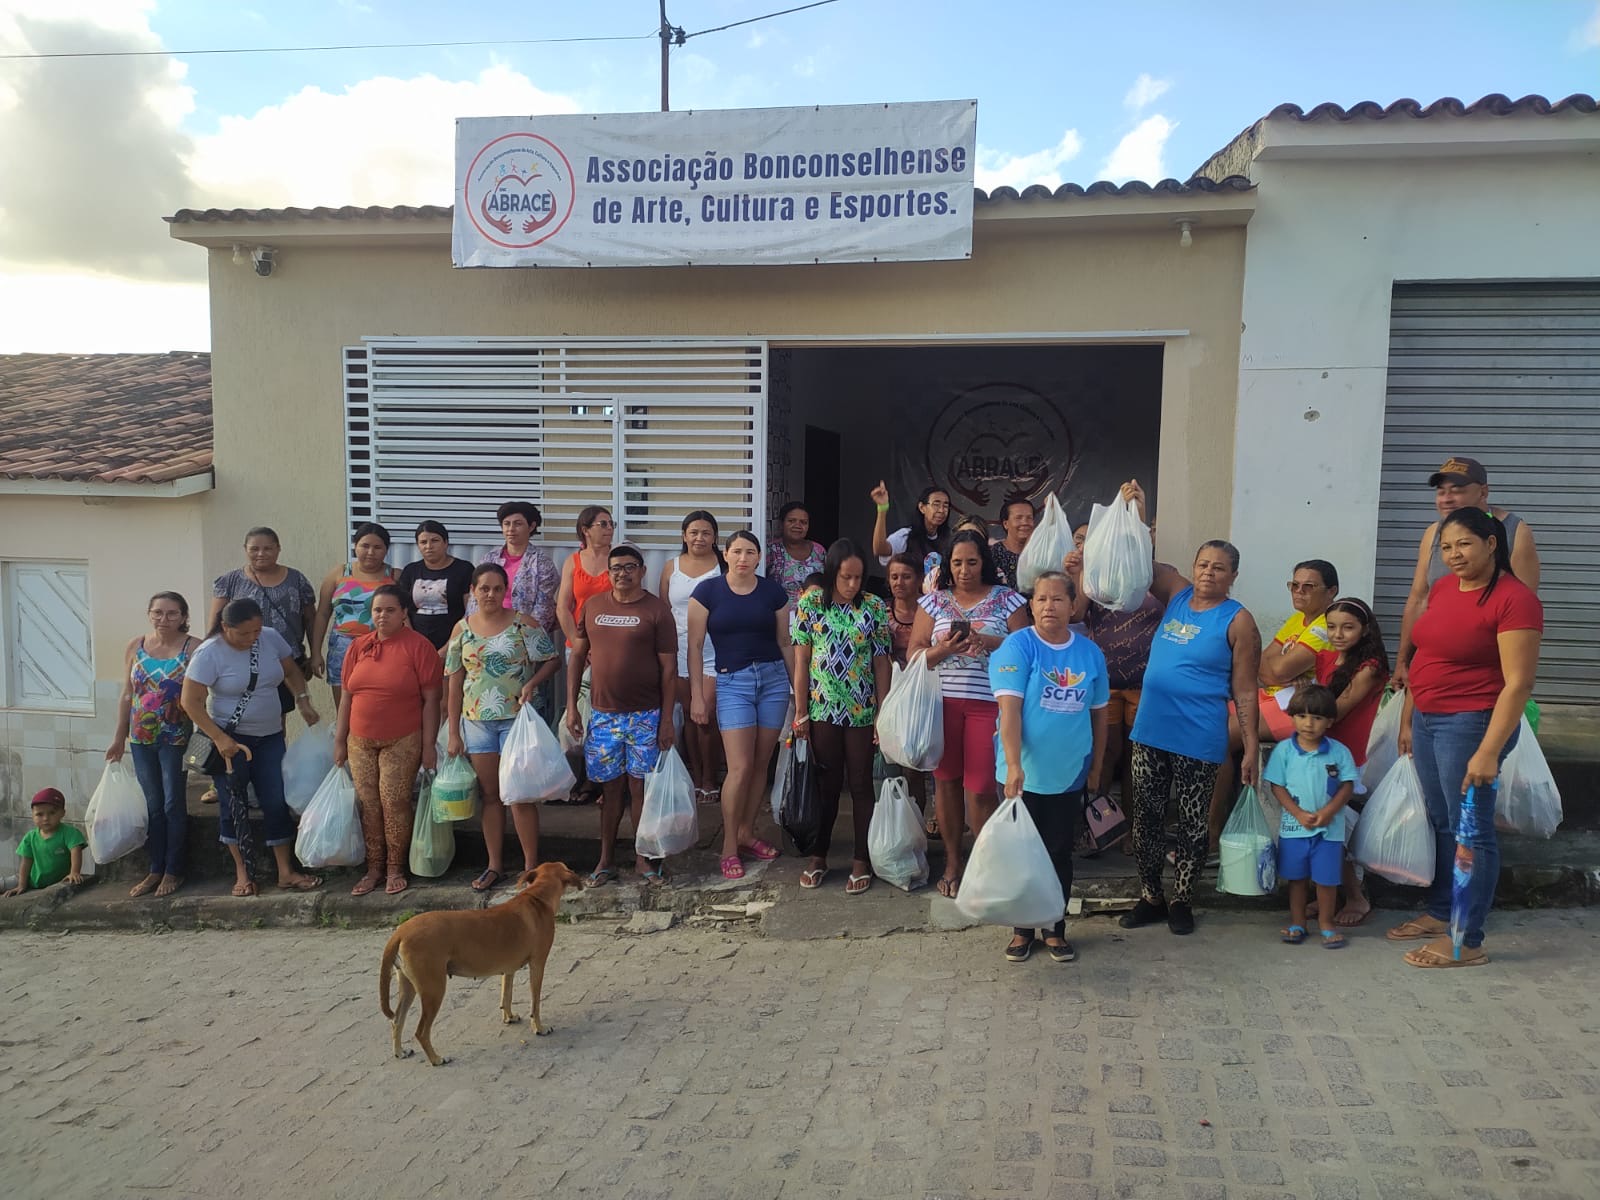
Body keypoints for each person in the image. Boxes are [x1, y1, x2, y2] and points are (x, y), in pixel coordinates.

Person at [1389, 508, 1541, 969]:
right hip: (1431, 720)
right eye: (1447, 547)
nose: (1454, 555)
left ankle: (1466, 940)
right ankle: (1441, 912)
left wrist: (1489, 750)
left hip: (1472, 723)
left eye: (1465, 545)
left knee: (1471, 832)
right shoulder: (1442, 587)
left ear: (1492, 544)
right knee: (1442, 820)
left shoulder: (1514, 600)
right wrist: (1409, 719)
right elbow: (1426, 654)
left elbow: (1518, 683)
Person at [1119, 519, 1262, 937]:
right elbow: (1140, 562)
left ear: (1233, 576)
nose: (1208, 573)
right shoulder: (1177, 596)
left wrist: (1250, 747)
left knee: (1193, 822)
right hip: (1151, 730)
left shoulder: (1238, 620)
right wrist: (1137, 515)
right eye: (1203, 564)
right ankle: (1150, 896)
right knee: (1145, 819)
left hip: (1199, 735)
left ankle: (1182, 899)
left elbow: (1246, 690)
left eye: (1219, 568)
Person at [990, 570, 1109, 963]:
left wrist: (1095, 766)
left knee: (1058, 852)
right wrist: (1012, 764)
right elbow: (1009, 713)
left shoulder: (1089, 653)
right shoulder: (1017, 647)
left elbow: (1099, 716)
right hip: (1020, 775)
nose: (1048, 606)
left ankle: (1054, 928)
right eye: (1041, 599)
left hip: (1067, 773)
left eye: (1058, 599)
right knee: (1022, 853)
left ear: (1073, 606)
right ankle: (1022, 929)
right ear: (1031, 605)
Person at [908, 530, 1030, 897]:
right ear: (948, 565)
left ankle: (985, 862)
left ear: (984, 563)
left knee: (980, 789)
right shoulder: (933, 603)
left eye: (972, 562)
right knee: (944, 785)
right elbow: (914, 653)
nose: (964, 570)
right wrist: (943, 649)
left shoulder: (1008, 600)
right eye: (957, 563)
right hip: (942, 705)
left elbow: (1026, 648)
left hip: (988, 706)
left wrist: (990, 642)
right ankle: (952, 862)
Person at [182, 599, 324, 897]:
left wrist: (303, 700)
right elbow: (190, 702)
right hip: (230, 740)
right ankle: (243, 872)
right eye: (244, 634)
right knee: (233, 803)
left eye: (256, 631)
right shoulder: (208, 653)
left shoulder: (269, 637)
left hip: (270, 736)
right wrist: (220, 739)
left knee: (275, 799)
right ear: (225, 627)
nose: (252, 638)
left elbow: (291, 671)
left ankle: (285, 872)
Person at [1209, 559, 1339, 852]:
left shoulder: (1324, 626)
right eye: (1294, 585)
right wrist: (1271, 670)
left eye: (1309, 586)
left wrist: (1271, 670)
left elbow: (1274, 671)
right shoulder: (1299, 620)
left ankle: (1210, 836)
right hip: (1278, 697)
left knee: (1218, 739)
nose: (1299, 592)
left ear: (1331, 591)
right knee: (1208, 720)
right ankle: (1214, 823)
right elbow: (1262, 661)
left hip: (1301, 708)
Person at [445, 564, 560, 891]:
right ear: (473, 591)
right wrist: (454, 732)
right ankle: (494, 865)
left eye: (497, 588)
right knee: (490, 795)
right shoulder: (462, 629)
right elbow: (454, 684)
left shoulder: (523, 624)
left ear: (505, 590)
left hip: (516, 720)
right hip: (477, 721)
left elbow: (552, 659)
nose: (491, 594)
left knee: (520, 795)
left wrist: (533, 683)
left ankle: (531, 868)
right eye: (484, 589)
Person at [566, 545, 676, 888]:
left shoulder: (657, 611)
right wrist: (571, 705)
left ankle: (643, 857)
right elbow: (577, 657)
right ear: (608, 573)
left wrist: (667, 720)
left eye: (630, 567)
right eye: (616, 568)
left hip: (646, 715)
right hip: (602, 716)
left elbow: (669, 670)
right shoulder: (594, 606)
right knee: (610, 791)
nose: (622, 573)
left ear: (642, 571)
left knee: (639, 789)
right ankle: (606, 859)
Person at [688, 530, 794, 880]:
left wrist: (799, 690)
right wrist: (697, 696)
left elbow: (785, 642)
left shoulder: (773, 592)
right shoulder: (707, 593)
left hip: (774, 681)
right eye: (737, 552)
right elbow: (694, 646)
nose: (743, 558)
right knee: (739, 767)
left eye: (750, 552)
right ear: (726, 555)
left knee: (761, 763)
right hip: (732, 682)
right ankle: (729, 846)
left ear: (759, 557)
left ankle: (748, 832)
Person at [790, 539, 892, 893]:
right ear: (832, 572)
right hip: (822, 708)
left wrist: (883, 710)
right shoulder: (811, 604)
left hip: (862, 709)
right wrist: (801, 712)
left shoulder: (875, 607)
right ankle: (819, 855)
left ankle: (861, 858)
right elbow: (802, 661)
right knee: (826, 785)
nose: (852, 585)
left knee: (862, 783)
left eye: (858, 578)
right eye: (845, 577)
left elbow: (881, 662)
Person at [334, 585, 444, 897]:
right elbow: (346, 697)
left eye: (390, 610)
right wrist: (340, 740)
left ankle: (396, 866)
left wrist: (428, 746)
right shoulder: (359, 646)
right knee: (368, 804)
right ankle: (374, 868)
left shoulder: (418, 647)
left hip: (403, 739)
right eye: (378, 610)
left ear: (404, 613)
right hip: (360, 740)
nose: (383, 616)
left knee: (393, 802)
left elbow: (432, 701)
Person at [1394, 456, 1541, 689]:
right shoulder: (1433, 533)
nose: (1446, 499)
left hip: (1481, 676)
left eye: (1457, 490)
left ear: (1483, 492)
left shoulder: (1514, 532)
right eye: (1441, 492)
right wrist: (1403, 661)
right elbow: (1418, 599)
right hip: (1432, 669)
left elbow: (1522, 613)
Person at [1066, 523, 1167, 827]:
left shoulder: (1158, 574)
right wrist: (1078, 573)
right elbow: (1075, 614)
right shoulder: (1097, 575)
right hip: (1105, 683)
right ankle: (1102, 827)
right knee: (1104, 753)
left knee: (1138, 757)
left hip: (1145, 683)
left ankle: (1136, 828)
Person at [107, 591, 199, 898]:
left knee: (173, 803)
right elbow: (126, 694)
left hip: (175, 737)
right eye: (158, 613)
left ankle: (174, 869)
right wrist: (119, 737)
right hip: (140, 738)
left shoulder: (194, 648)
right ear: (149, 614)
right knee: (153, 806)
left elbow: (202, 695)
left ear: (184, 616)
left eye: (172, 613)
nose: (164, 619)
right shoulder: (136, 646)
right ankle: (155, 869)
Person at [1312, 597, 1392, 929]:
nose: (1338, 634)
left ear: (1365, 629)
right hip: (1326, 753)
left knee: (1336, 831)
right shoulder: (1325, 657)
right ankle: (1328, 895)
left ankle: (1357, 897)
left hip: (1355, 759)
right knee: (1323, 830)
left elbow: (1334, 711)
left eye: (1348, 627)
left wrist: (1301, 709)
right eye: (1332, 627)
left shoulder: (1370, 666)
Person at [1264, 685, 1359, 949]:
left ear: (1330, 721)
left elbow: (1347, 785)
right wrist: (1297, 813)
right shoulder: (1284, 751)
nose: (1309, 724)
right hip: (1294, 828)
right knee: (1296, 880)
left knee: (1327, 881)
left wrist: (1328, 813)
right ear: (1292, 717)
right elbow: (1277, 786)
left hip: (1330, 831)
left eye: (1317, 718)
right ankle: (1298, 922)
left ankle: (1327, 924)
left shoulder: (1339, 752)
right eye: (1302, 716)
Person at [209, 526, 318, 713]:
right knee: (242, 713)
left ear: (278, 549)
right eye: (254, 549)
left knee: (278, 714)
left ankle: (276, 743)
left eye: (268, 548)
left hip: (285, 660)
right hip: (241, 658)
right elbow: (216, 624)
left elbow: (310, 620)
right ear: (245, 549)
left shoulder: (297, 579)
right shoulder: (230, 581)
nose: (261, 554)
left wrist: (315, 653)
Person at [660, 511, 725, 805]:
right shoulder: (671, 567)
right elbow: (663, 611)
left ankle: (711, 779)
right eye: (694, 532)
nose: (700, 538)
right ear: (684, 535)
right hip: (680, 650)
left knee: (706, 717)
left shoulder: (723, 567)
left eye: (706, 533)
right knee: (688, 716)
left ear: (715, 537)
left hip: (713, 651)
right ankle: (695, 778)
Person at [311, 523, 398, 709]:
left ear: (386, 550)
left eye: (377, 547)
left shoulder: (396, 576)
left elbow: (405, 616)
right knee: (344, 705)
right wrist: (316, 652)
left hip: (382, 646)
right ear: (355, 546)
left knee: (378, 702)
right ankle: (344, 738)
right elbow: (323, 613)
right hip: (342, 646)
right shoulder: (339, 573)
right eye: (365, 546)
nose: (370, 552)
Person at [885, 552, 933, 831]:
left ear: (918, 580)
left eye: (906, 576)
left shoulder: (931, 610)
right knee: (890, 767)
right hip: (890, 693)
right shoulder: (881, 610)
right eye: (893, 577)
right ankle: (892, 829)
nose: (899, 582)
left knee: (915, 766)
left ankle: (915, 829)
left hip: (922, 695)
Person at [476, 501, 561, 637]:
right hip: (487, 631)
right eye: (506, 524)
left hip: (524, 637)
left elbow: (543, 611)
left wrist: (516, 639)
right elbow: (475, 600)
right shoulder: (489, 559)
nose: (511, 529)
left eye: (518, 523)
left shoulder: (542, 564)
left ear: (531, 526)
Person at [397, 520, 474, 651]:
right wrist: (413, 641)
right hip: (415, 645)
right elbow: (401, 610)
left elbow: (470, 612)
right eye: (423, 542)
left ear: (446, 543)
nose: (429, 546)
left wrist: (447, 648)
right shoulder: (411, 570)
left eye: (435, 540)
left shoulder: (464, 569)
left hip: (455, 643)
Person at [4, 789, 87, 897]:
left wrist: (74, 872)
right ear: (33, 816)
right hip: (30, 880)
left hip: (56, 882)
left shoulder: (70, 833)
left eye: (52, 813)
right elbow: (26, 863)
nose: (46, 818)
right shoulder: (30, 837)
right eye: (39, 814)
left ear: (62, 813)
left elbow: (76, 851)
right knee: (4, 884)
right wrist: (21, 885)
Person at [871, 482, 953, 587]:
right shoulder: (906, 536)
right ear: (922, 507)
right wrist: (882, 509)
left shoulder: (949, 540)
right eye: (936, 504)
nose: (941, 510)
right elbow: (879, 549)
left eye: (945, 506)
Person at [556, 505, 616, 645]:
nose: (610, 528)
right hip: (580, 639)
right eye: (603, 524)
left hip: (612, 642)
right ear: (585, 530)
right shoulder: (573, 561)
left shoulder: (619, 558)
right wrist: (577, 644)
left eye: (612, 524)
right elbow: (562, 608)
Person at [767, 501, 827, 606]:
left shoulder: (819, 550)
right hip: (781, 615)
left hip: (816, 615)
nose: (797, 525)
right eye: (791, 521)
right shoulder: (771, 550)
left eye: (803, 522)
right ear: (781, 524)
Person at [989, 499, 1036, 590]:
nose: (1025, 522)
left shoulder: (1041, 553)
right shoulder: (993, 554)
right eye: (1018, 518)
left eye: (1029, 518)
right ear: (1005, 524)